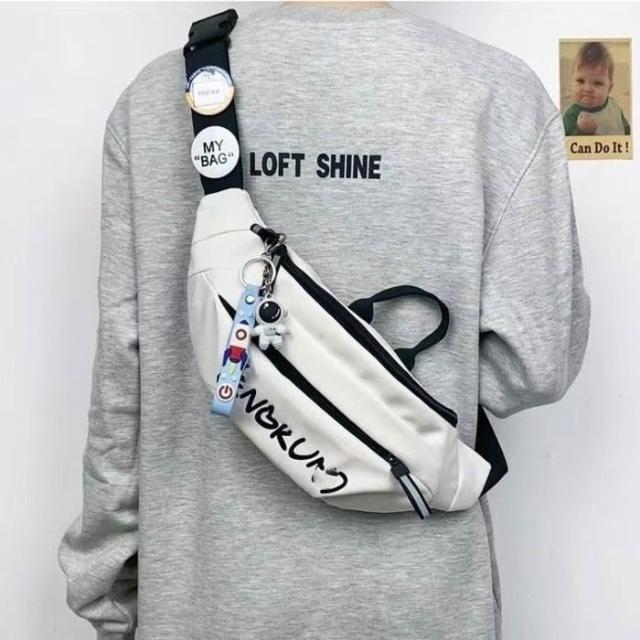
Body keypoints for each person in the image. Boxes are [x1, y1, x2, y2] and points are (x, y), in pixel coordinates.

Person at [57, 3, 591, 639]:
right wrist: (387, 380)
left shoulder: (156, 98)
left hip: (208, 597)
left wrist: (107, 599)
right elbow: (533, 365)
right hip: (418, 600)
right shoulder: (498, 95)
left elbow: (122, 392)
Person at [563, 41, 631, 135]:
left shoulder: (614, 107)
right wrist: (581, 131)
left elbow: (626, 130)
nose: (587, 89)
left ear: (609, 88)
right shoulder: (571, 116)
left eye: (597, 83)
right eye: (580, 81)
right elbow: (564, 142)